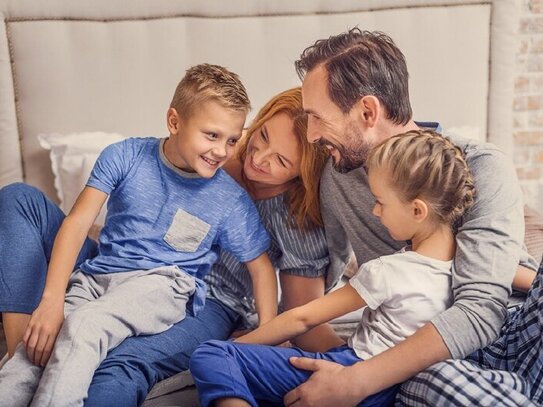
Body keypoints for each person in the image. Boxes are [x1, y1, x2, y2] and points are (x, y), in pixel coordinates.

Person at [0, 87, 340, 406]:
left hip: (202, 299)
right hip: (114, 265)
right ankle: (27, 346)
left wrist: (357, 363)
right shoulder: (211, 150)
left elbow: (301, 311)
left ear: (301, 173)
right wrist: (54, 299)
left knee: (122, 362)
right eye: (261, 136)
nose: (258, 158)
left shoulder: (294, 219)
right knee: (20, 198)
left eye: (280, 161)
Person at [279, 28, 541, 406]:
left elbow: (481, 309)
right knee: (435, 382)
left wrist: (356, 381)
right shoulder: (338, 178)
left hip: (515, 327)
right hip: (427, 358)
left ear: (368, 111)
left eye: (317, 118)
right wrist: (350, 364)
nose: (313, 135)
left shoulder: (481, 165)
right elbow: (312, 290)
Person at [189, 130, 476, 407]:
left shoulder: (390, 270)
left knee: (212, 355)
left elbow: (302, 318)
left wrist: (245, 345)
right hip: (395, 385)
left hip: (353, 370)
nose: (375, 212)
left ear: (417, 211)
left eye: (380, 202)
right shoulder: (467, 269)